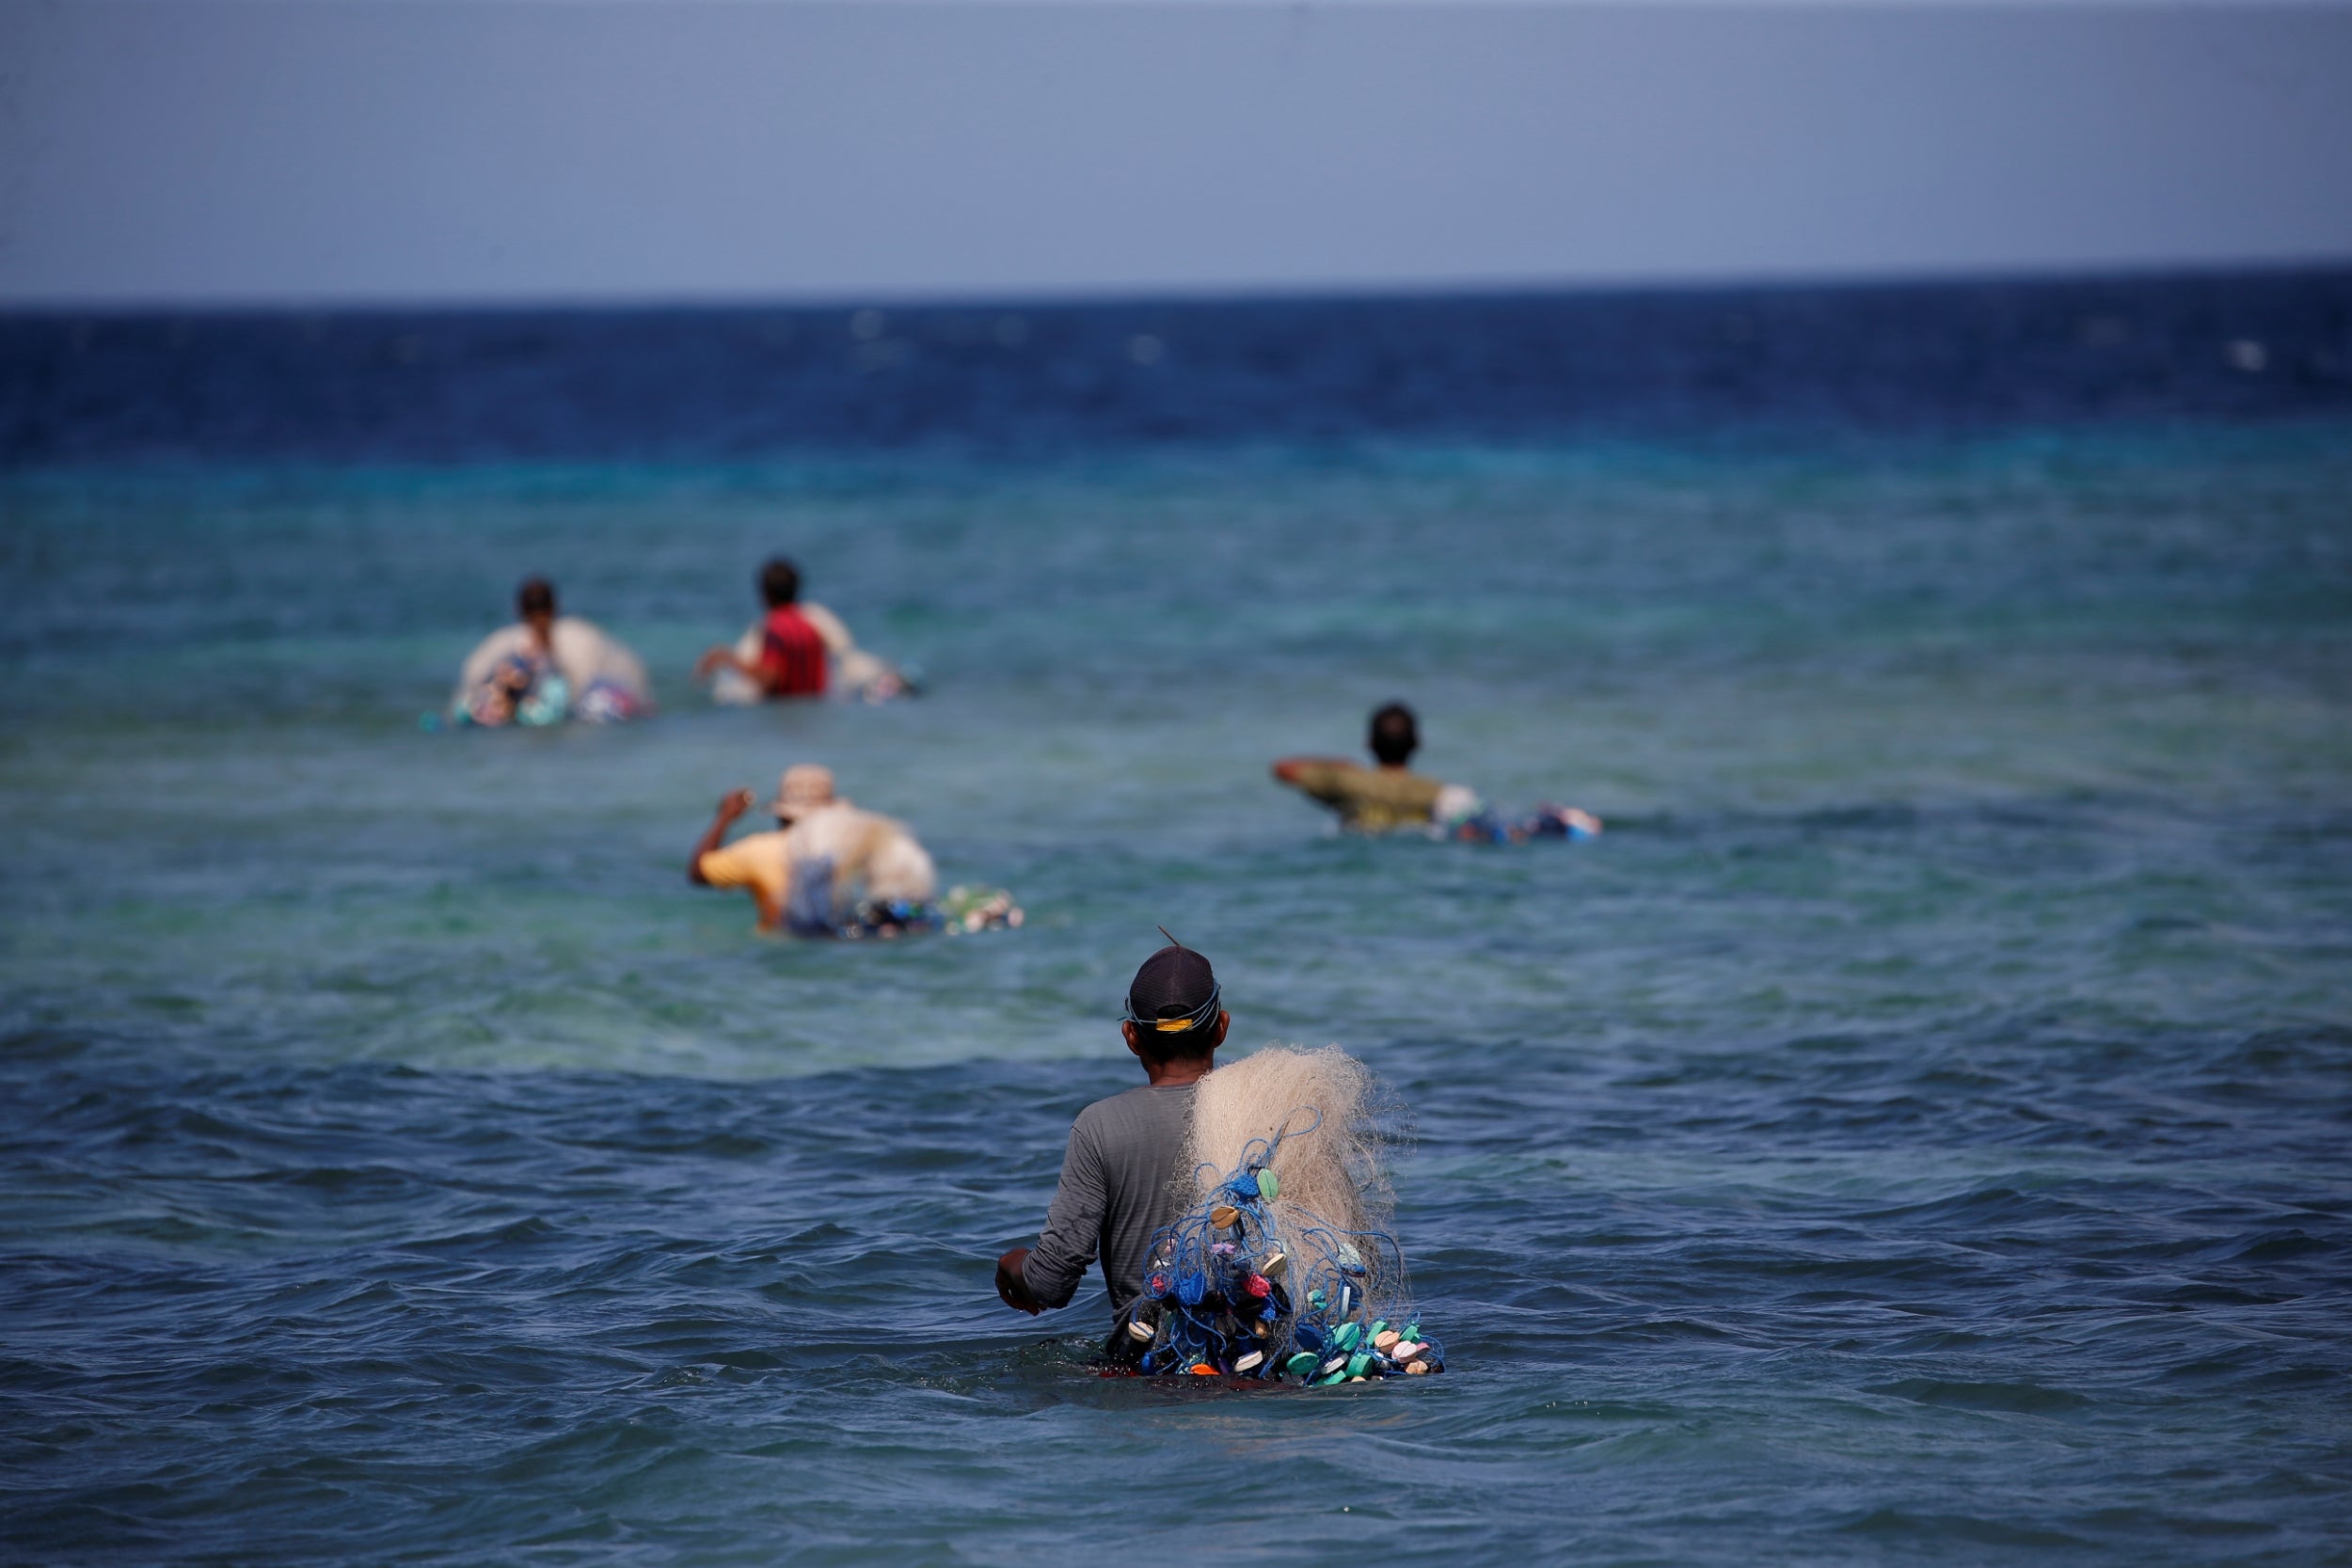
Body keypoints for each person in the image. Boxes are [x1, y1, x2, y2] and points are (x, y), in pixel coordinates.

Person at [994, 942, 1228, 1353]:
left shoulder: (1101, 1126)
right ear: (1222, 1027)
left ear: (1131, 1036)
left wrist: (1010, 1266)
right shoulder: (1280, 1110)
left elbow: (1051, 1282)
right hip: (1268, 1361)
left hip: (1151, 1374)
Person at [1272, 701, 1601, 841]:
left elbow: (1283, 769)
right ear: (1417, 743)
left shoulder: (1348, 783)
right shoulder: (1434, 790)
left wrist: (1341, 767)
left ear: (1370, 743)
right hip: (1437, 819)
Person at [687, 764, 941, 935]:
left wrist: (725, 817)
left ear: (782, 814)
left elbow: (698, 872)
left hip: (785, 945)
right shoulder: (854, 843)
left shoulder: (759, 850)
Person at [694, 557, 909, 704]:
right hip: (816, 706)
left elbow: (770, 677)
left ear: (765, 594)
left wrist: (728, 658)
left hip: (784, 712)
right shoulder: (810, 625)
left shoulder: (775, 628)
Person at [451, 578, 651, 725]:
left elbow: (471, 681)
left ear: (518, 610)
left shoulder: (500, 644)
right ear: (555, 607)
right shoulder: (581, 638)